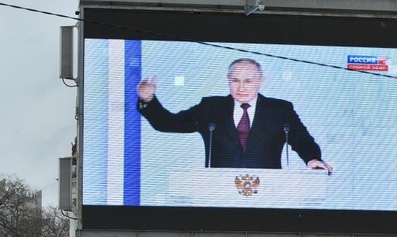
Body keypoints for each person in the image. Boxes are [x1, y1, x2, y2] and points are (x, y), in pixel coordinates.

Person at [136, 58, 333, 171]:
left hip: (269, 195)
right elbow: (169, 124)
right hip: (219, 196)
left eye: (248, 81)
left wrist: (313, 159)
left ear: (261, 81)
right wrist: (148, 100)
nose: (241, 88)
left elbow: (303, 140)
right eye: (235, 81)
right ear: (228, 80)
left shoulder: (280, 110)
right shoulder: (210, 107)